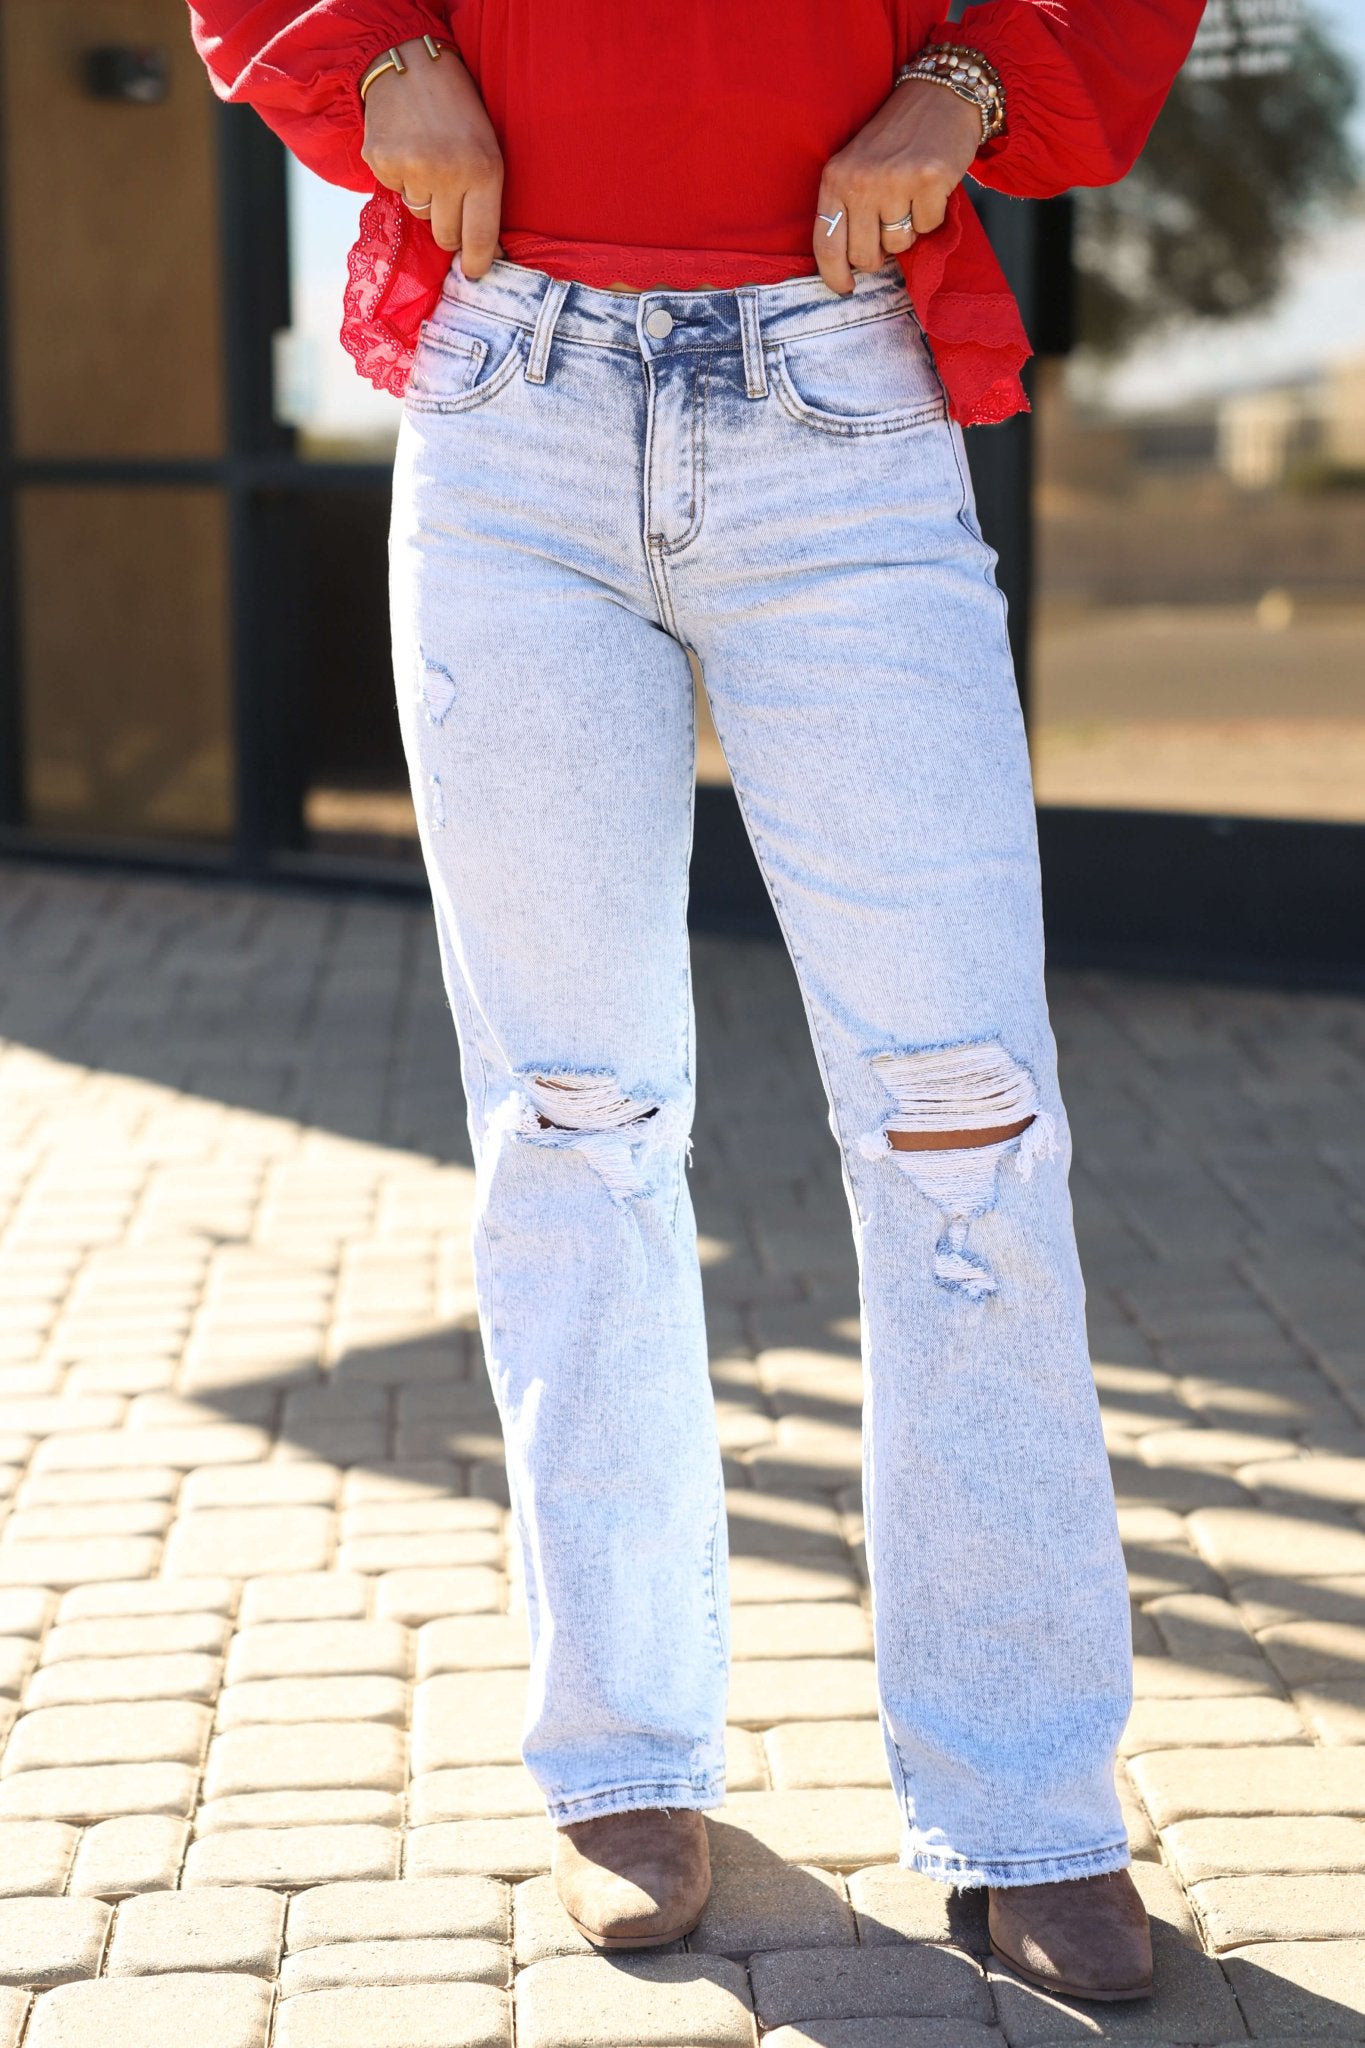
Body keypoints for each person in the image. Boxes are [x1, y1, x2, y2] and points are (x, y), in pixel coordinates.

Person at [190, 0, 1205, 1999]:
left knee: (962, 1124)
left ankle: (1024, 1800)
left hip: (840, 387)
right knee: (570, 1122)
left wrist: (969, 79)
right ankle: (619, 1758)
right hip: (509, 388)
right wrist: (371, 42)